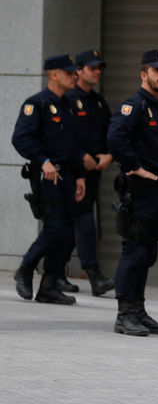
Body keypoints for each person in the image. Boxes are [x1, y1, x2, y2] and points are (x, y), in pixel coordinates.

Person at [107, 49, 158, 336]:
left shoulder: (155, 107)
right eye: (156, 70)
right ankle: (124, 314)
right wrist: (134, 167)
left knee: (147, 253)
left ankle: (138, 309)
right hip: (137, 192)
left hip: (153, 194)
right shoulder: (134, 105)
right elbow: (114, 138)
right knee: (133, 251)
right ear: (143, 74)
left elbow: (154, 150)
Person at [12, 54, 86, 305]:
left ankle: (49, 286)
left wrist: (80, 177)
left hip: (67, 176)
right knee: (56, 227)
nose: (74, 76)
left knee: (68, 235)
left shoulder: (69, 105)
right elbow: (21, 138)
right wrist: (43, 161)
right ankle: (26, 267)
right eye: (68, 73)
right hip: (47, 176)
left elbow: (75, 144)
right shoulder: (37, 104)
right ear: (54, 75)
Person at [61, 50, 115, 297]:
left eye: (99, 68)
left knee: (70, 224)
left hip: (93, 173)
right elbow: (61, 135)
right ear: (79, 70)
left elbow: (111, 134)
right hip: (72, 171)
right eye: (92, 67)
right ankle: (94, 275)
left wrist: (108, 155)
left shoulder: (99, 102)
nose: (97, 72)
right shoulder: (68, 99)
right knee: (83, 221)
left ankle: (52, 273)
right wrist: (80, 155)